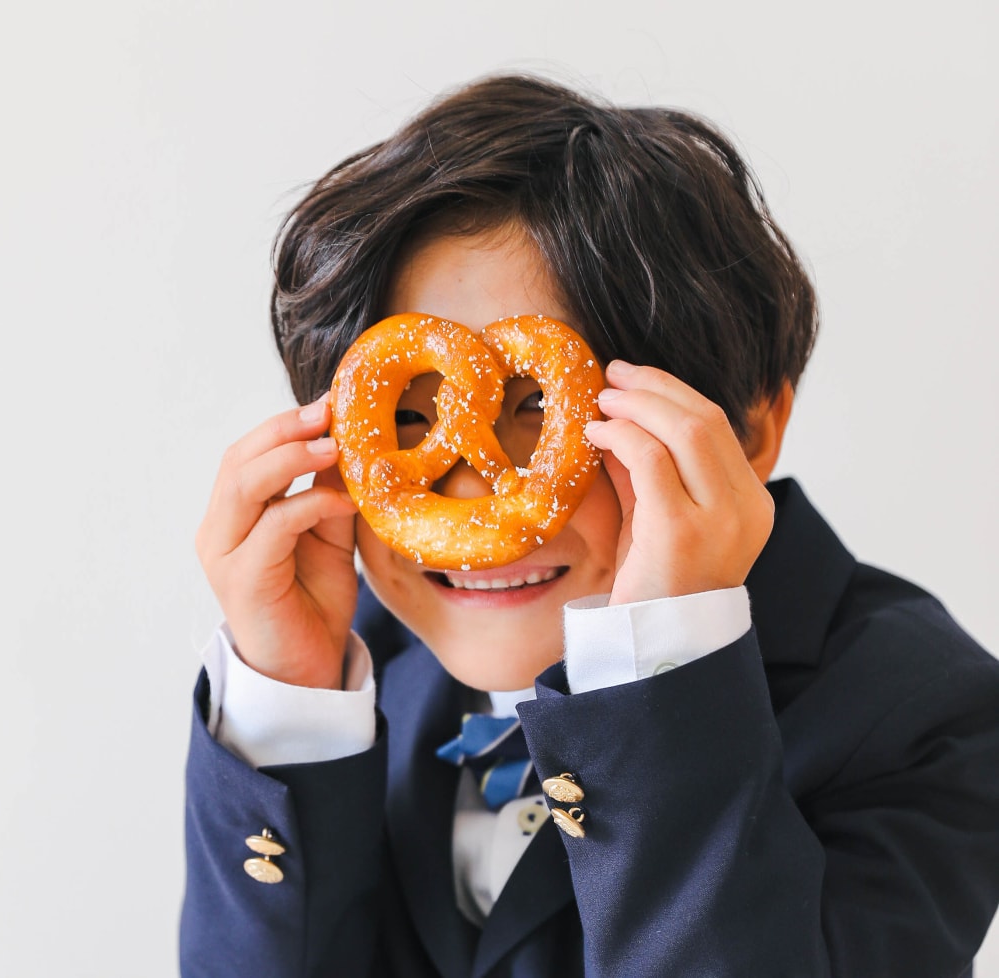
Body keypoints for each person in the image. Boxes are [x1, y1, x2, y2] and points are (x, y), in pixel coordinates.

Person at [181, 73, 999, 977]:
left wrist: (661, 673)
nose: (471, 495)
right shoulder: (369, 669)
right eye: (412, 420)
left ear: (752, 429)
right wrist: (289, 705)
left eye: (540, 407)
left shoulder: (925, 714)